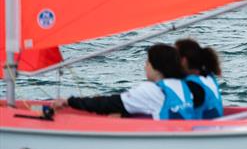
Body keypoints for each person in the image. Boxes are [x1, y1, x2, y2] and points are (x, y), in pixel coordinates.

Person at [51, 43, 195, 119]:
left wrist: (69, 102)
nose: (145, 66)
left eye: (147, 62)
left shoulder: (151, 90)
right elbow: (154, 107)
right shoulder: (187, 85)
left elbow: (109, 103)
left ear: (156, 66)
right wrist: (126, 115)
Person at [175, 38, 224, 119]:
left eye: (174, 57)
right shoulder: (208, 75)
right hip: (215, 127)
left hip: (201, 130)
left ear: (183, 60)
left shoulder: (192, 85)